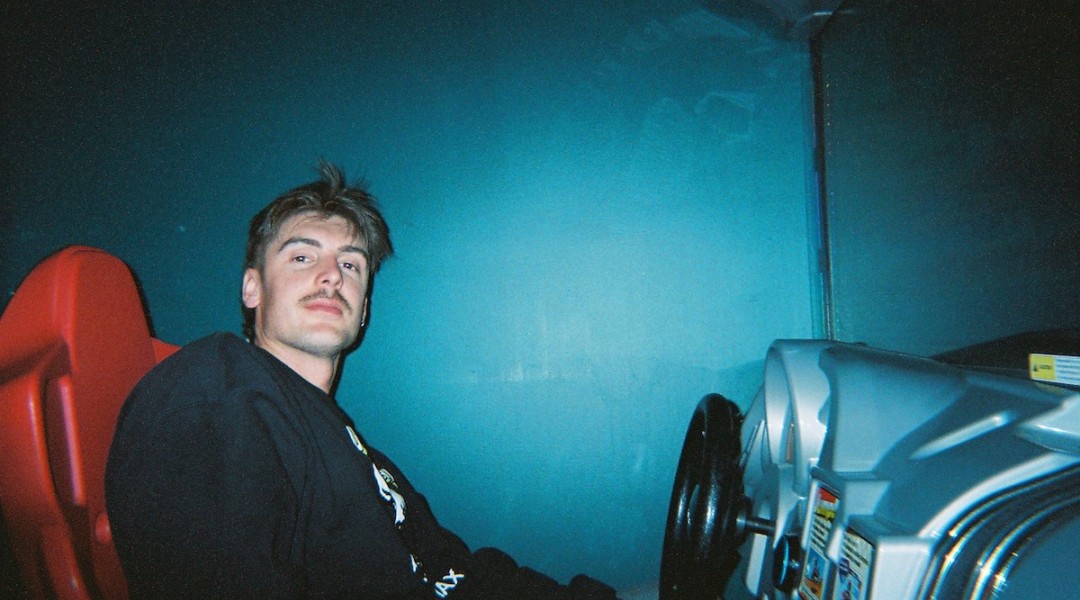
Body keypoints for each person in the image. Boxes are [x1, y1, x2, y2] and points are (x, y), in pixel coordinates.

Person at [104, 162, 619, 599]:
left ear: (365, 307)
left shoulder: (353, 451)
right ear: (252, 288)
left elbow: (453, 572)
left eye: (350, 264)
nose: (332, 275)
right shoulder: (217, 388)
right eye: (302, 257)